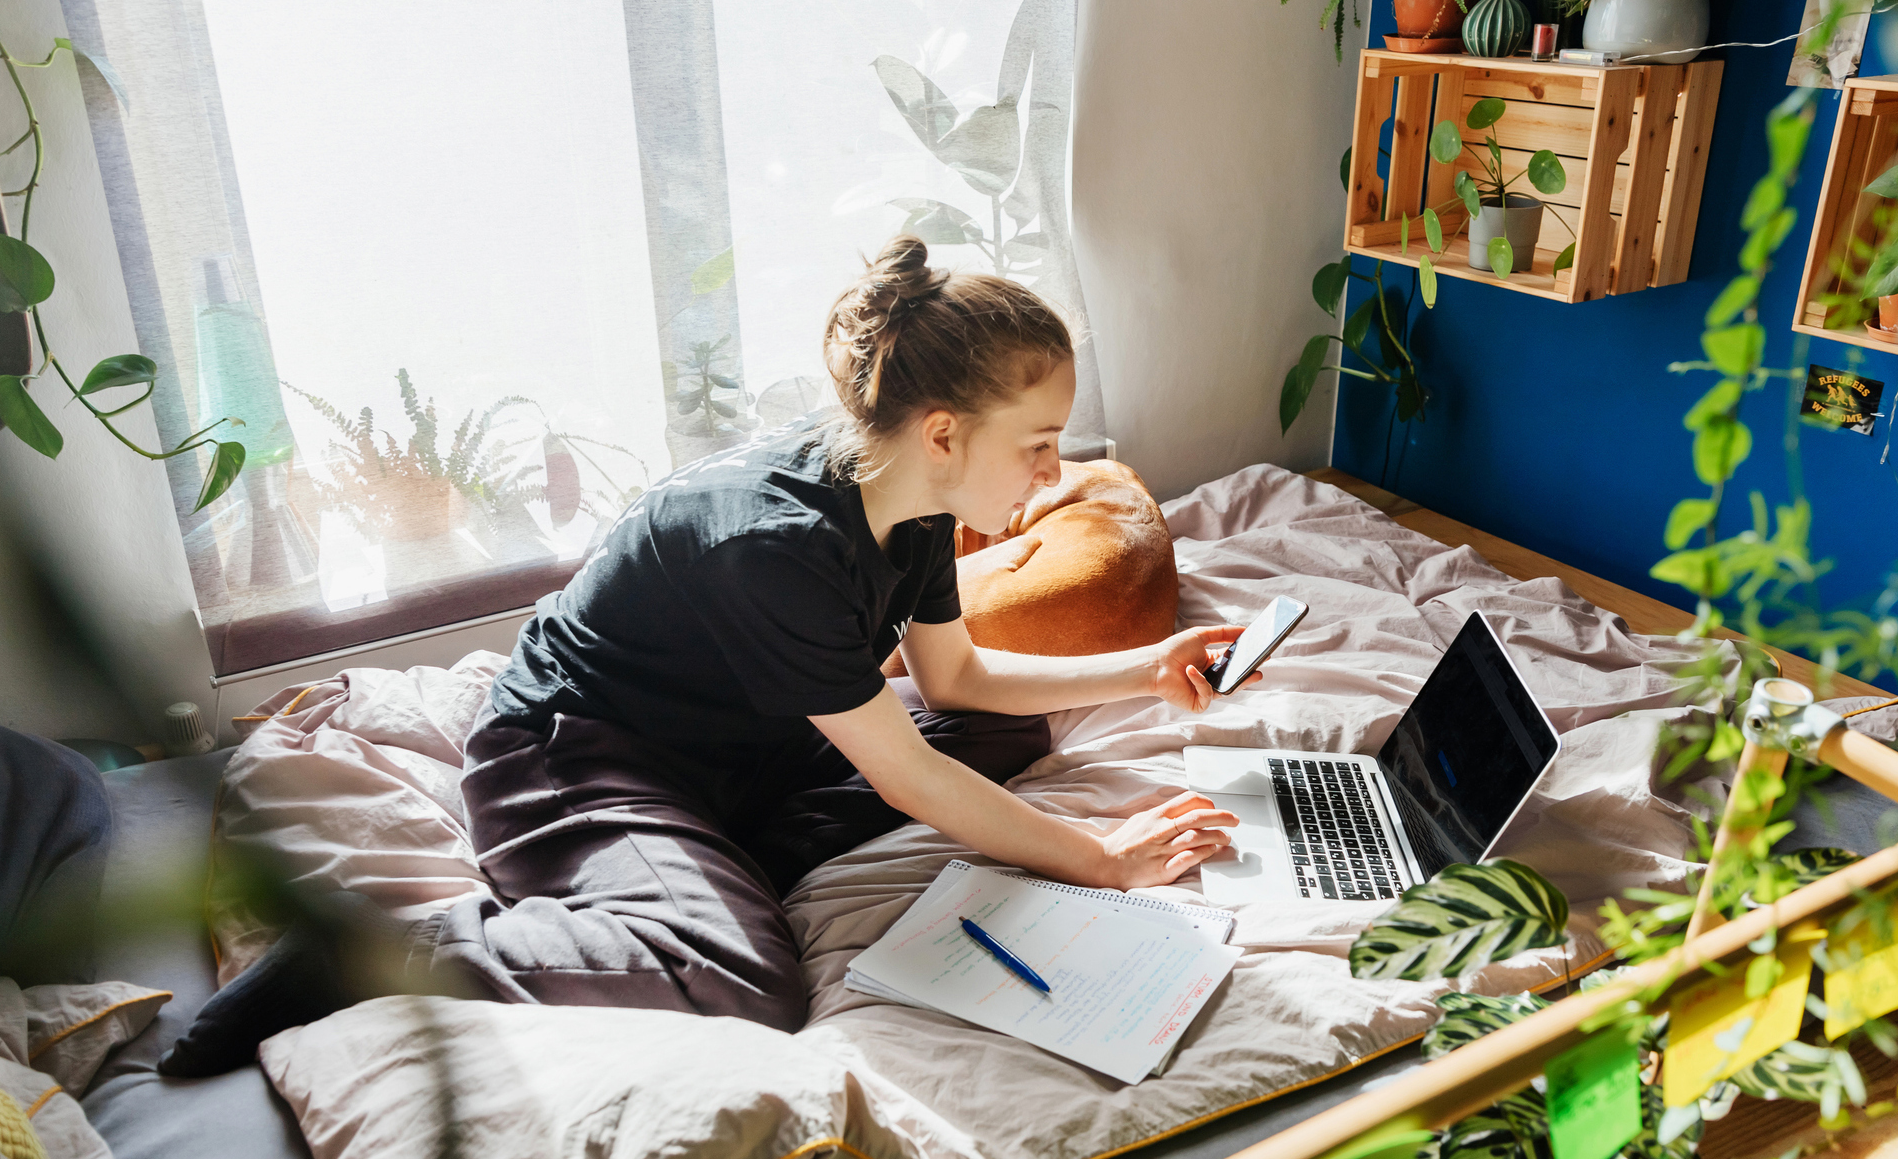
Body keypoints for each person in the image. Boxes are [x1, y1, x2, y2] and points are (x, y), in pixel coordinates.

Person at [161, 238, 1254, 1068]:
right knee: (742, 977)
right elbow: (906, 771)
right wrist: (1100, 857)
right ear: (942, 432)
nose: (1054, 477)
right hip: (574, 757)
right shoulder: (770, 544)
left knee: (1002, 729)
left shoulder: (914, 509)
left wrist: (1144, 663)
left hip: (742, 747)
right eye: (1039, 445)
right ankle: (364, 951)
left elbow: (959, 681)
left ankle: (702, 862)